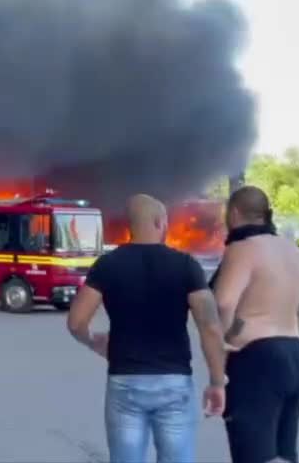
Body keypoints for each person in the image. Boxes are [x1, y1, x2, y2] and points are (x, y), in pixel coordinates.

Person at [67, 194, 227, 463]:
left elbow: (75, 322)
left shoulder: (108, 265)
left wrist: (92, 341)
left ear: (130, 226)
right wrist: (216, 381)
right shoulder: (186, 266)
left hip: (125, 382)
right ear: (159, 222)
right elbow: (209, 327)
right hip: (174, 382)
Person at [212, 186, 299, 463]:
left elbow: (223, 303)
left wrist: (226, 340)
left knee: (252, 455)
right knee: (284, 454)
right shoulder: (291, 250)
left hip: (255, 360)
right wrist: (293, 324)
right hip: (294, 355)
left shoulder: (242, 249)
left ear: (234, 213)